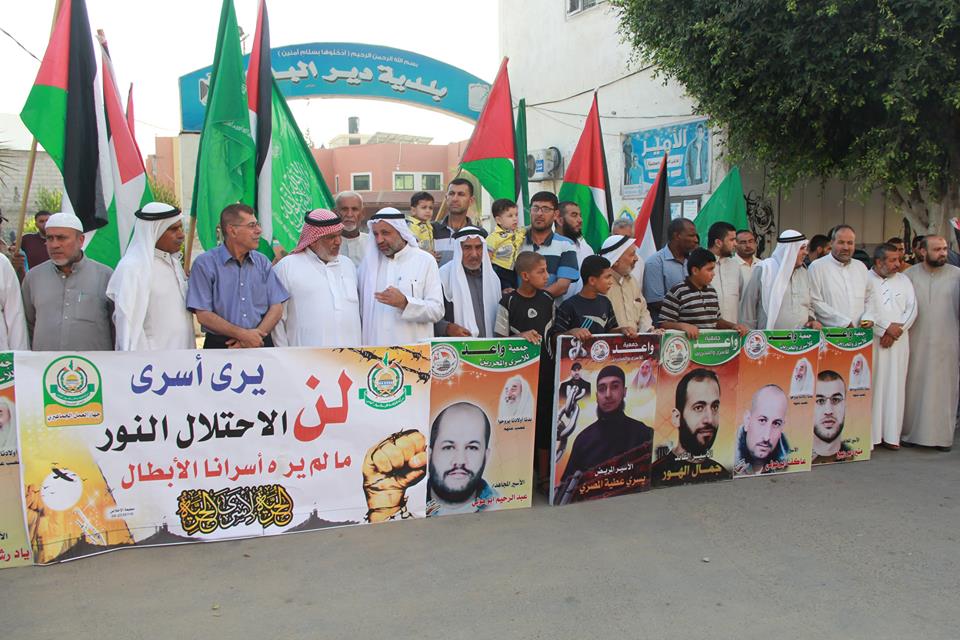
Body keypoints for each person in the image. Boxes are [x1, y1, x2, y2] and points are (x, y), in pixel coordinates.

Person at [186, 204, 289, 349]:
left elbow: (276, 307)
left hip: (260, 342)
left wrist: (254, 337)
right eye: (252, 226)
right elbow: (203, 314)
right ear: (232, 230)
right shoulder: (205, 264)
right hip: (221, 346)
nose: (259, 231)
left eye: (257, 224)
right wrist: (243, 336)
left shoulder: (262, 262)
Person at [494, 251, 556, 485]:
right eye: (541, 271)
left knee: (544, 422)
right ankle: (517, 476)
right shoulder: (508, 302)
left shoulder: (548, 300)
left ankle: (544, 476)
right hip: (518, 375)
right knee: (518, 423)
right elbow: (498, 339)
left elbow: (554, 334)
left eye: (546, 270)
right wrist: (520, 336)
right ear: (525, 275)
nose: (547, 276)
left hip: (546, 371)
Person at [106, 202, 195, 351]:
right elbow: (128, 328)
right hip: (153, 360)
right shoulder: (133, 267)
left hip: (184, 357)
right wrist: (142, 361)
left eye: (181, 228)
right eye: (173, 229)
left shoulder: (173, 263)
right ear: (155, 231)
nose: (181, 235)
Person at [22, 212, 114, 350]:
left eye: (61, 238)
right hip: (45, 363)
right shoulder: (33, 278)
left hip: (95, 363)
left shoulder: (106, 276)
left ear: (80, 240)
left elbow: (117, 328)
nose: (54, 245)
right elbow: (27, 326)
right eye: (50, 238)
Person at [557, 364, 654, 494]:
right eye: (602, 389)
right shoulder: (583, 440)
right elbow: (565, 489)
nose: (608, 394)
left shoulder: (644, 433)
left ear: (624, 392)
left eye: (615, 387)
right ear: (597, 396)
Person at [271, 209, 361, 348]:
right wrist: (284, 356)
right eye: (331, 237)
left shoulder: (348, 265)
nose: (338, 241)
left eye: (339, 235)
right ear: (313, 241)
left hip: (350, 357)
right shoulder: (287, 267)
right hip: (305, 358)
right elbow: (277, 320)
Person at [902, 235, 960, 451]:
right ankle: (909, 434)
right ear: (922, 251)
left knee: (945, 391)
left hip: (947, 343)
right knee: (913, 388)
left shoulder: (957, 276)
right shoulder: (908, 276)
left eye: (944, 249)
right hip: (915, 343)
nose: (943, 253)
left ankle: (942, 438)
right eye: (937, 249)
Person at [359, 207, 444, 345]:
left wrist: (405, 303)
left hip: (413, 350)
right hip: (376, 351)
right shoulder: (368, 267)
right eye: (375, 234)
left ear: (401, 232)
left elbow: (437, 310)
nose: (379, 240)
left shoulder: (425, 261)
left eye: (385, 233)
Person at [867, 243, 917, 449]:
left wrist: (897, 331)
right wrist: (884, 329)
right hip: (874, 342)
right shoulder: (866, 280)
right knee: (873, 387)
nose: (898, 264)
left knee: (895, 388)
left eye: (899, 259)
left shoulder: (904, 280)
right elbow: (865, 311)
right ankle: (870, 438)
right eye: (893, 260)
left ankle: (891, 436)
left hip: (898, 343)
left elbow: (912, 308)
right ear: (879, 262)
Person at [652, 368, 729, 486]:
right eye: (698, 408)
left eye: (714, 407)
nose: (709, 419)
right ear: (677, 417)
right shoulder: (655, 476)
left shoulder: (722, 474)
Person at [740, 229, 821, 330]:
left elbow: (809, 305)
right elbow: (749, 306)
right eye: (801, 248)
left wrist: (811, 320)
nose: (805, 252)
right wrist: (749, 334)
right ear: (789, 250)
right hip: (770, 336)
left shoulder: (804, 272)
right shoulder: (765, 269)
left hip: (801, 337)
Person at [658, 248, 749, 339]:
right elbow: (664, 323)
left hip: (709, 344)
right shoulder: (678, 291)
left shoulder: (711, 291)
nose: (713, 274)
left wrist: (733, 326)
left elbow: (716, 321)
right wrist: (683, 326)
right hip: (687, 345)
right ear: (695, 271)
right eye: (709, 270)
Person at [426, 402, 496, 516]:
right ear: (429, 454)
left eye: (472, 448)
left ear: (486, 456)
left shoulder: (501, 504)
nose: (460, 461)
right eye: (448, 447)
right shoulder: (407, 505)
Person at [436, 227, 501, 338]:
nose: (474, 254)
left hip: (491, 346)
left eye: (478, 247)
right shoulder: (444, 276)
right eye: (467, 248)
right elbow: (431, 315)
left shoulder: (493, 278)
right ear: (459, 249)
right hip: (457, 346)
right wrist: (447, 328)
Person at [808, 224, 875, 328]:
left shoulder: (860, 267)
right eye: (841, 242)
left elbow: (869, 297)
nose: (846, 247)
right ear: (832, 243)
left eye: (850, 243)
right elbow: (815, 301)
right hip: (832, 333)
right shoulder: (817, 267)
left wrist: (868, 317)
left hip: (860, 332)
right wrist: (843, 323)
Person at [520, 191, 579, 300]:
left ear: (556, 214)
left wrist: (531, 302)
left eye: (546, 209)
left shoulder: (566, 245)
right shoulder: (516, 242)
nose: (539, 213)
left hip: (550, 309)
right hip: (516, 308)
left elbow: (562, 286)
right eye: (535, 208)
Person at [553, 255, 630, 339]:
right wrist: (571, 333)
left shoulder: (606, 302)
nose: (611, 282)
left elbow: (610, 331)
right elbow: (555, 338)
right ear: (592, 280)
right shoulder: (568, 306)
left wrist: (622, 330)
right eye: (607, 277)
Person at [642, 217, 697, 320]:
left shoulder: (694, 261)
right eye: (691, 235)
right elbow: (655, 302)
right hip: (668, 325)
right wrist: (691, 309)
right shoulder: (655, 262)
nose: (696, 240)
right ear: (677, 236)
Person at [600, 234, 654, 333]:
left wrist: (649, 331)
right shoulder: (601, 284)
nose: (636, 258)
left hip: (637, 340)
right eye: (632, 254)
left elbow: (643, 312)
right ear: (616, 260)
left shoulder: (632, 281)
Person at [734, 385, 790, 476]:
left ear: (782, 427)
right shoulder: (725, 457)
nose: (766, 437)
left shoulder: (788, 463)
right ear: (747, 420)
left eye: (776, 424)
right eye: (762, 420)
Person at [433, 178, 484, 267]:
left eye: (461, 194)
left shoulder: (478, 234)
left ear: (471, 201)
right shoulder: (430, 230)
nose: (455, 199)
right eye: (451, 194)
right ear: (446, 198)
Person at [812, 370, 853, 463]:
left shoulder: (853, 455)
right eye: (820, 401)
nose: (828, 411)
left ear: (846, 405)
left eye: (836, 400)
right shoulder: (789, 459)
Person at [557, 201, 595, 299]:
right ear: (560, 220)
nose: (580, 220)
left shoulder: (586, 249)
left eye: (580, 216)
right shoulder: (550, 248)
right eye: (574, 215)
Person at [706, 221, 741, 323]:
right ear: (718, 242)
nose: (735, 244)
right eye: (732, 240)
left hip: (732, 329)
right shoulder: (700, 264)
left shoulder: (735, 265)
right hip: (707, 329)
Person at [487, 198, 525, 291]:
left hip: (513, 270)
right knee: (505, 291)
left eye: (516, 215)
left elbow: (529, 228)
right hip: (499, 270)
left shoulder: (519, 232)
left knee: (515, 290)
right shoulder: (493, 237)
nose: (515, 218)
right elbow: (487, 258)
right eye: (510, 216)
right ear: (499, 220)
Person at [335, 191, 367, 267]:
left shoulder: (372, 243)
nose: (349, 214)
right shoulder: (327, 244)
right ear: (336, 213)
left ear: (362, 214)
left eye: (354, 209)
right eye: (344, 209)